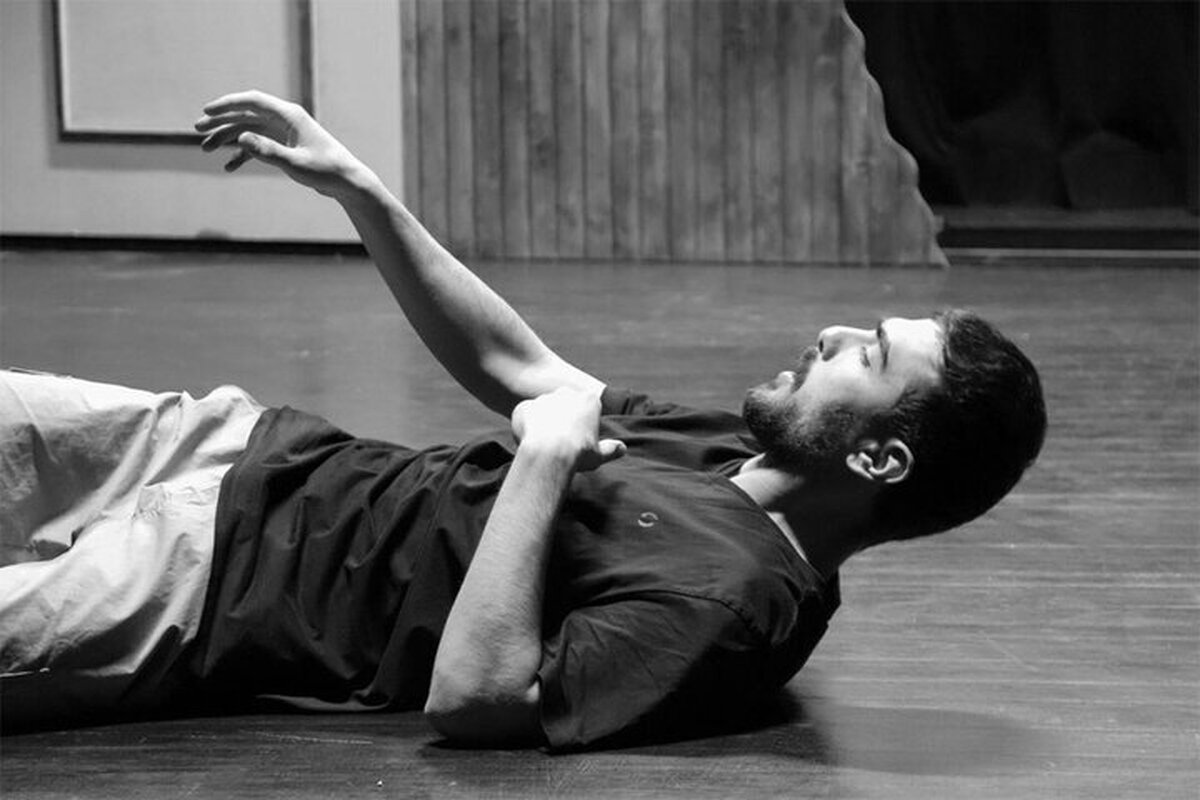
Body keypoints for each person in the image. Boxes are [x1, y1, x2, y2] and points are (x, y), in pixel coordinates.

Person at [0, 91, 1046, 750]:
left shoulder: (733, 608)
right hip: (241, 447)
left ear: (880, 456)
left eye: (869, 353)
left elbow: (475, 696)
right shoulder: (734, 446)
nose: (831, 334)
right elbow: (521, 368)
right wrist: (361, 193)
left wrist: (543, 465)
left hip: (207, 588)